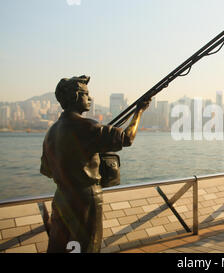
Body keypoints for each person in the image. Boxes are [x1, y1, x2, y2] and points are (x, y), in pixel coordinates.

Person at [40, 75, 151, 252]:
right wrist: (139, 111)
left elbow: (47, 170)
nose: (90, 98)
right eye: (85, 94)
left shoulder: (51, 133)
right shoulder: (88, 127)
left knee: (60, 247)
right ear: (75, 97)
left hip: (61, 198)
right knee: (86, 247)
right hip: (85, 200)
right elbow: (127, 138)